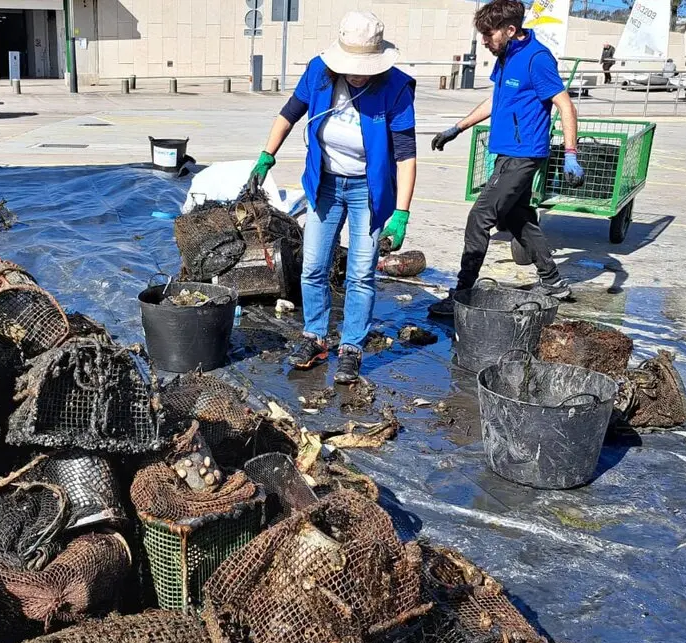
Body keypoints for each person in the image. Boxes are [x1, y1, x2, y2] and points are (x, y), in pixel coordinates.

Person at [248, 10, 418, 384]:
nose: (357, 73)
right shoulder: (319, 72)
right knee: (313, 265)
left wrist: (401, 213)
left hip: (367, 191)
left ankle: (352, 347)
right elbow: (288, 114)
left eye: (365, 67)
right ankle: (315, 336)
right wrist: (266, 156)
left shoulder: (396, 88)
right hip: (325, 184)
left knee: (360, 273)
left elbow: (406, 156)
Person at [427, 0, 583, 316]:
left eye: (489, 34)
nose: (484, 41)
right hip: (508, 153)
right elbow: (497, 99)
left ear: (510, 30)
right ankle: (553, 282)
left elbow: (565, 104)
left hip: (522, 155)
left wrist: (570, 154)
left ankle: (462, 293)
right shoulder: (506, 55)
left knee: (479, 217)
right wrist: (457, 128)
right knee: (516, 218)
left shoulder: (536, 59)